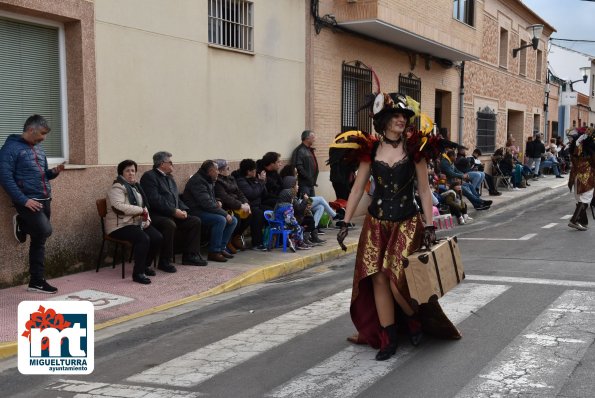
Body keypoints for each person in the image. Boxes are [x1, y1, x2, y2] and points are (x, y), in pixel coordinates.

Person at [337, 92, 461, 361]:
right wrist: (345, 222)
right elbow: (358, 188)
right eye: (395, 116)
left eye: (404, 116)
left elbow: (425, 191)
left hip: (406, 221)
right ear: (382, 120)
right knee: (378, 277)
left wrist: (429, 225)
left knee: (395, 278)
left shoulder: (416, 150)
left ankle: (413, 319)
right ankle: (388, 337)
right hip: (376, 222)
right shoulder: (370, 151)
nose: (401, 120)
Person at [0, 115, 64, 293]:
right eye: (42, 133)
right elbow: (5, 178)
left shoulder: (39, 149)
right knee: (45, 230)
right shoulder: (10, 149)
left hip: (44, 199)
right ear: (31, 129)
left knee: (39, 240)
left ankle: (36, 281)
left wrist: (54, 172)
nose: (44, 138)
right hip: (27, 201)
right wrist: (24, 200)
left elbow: (43, 174)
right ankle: (22, 221)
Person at [140, 151, 206, 271]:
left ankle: (190, 256)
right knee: (169, 224)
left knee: (194, 221)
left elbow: (176, 197)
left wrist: (183, 210)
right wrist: (173, 211)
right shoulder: (149, 177)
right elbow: (155, 200)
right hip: (156, 214)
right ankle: (165, 261)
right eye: (170, 162)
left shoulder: (170, 178)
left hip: (172, 212)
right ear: (161, 164)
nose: (172, 164)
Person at [105, 160, 163, 284]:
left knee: (157, 237)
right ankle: (138, 274)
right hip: (118, 226)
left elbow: (144, 205)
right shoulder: (117, 187)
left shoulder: (135, 187)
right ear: (121, 173)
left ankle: (145, 266)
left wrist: (147, 219)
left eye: (133, 170)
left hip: (134, 223)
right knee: (143, 238)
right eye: (127, 171)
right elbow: (118, 207)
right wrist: (141, 211)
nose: (131, 173)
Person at [182, 160, 238, 262]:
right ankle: (214, 252)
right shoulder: (198, 181)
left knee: (233, 220)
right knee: (220, 219)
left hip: (205, 209)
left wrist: (218, 201)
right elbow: (206, 203)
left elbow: (210, 198)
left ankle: (221, 248)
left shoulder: (208, 179)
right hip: (195, 211)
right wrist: (224, 214)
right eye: (217, 170)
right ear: (211, 170)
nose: (218, 172)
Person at [214, 159, 251, 253]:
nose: (229, 169)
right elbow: (225, 198)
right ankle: (228, 241)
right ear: (221, 170)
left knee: (250, 214)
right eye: (227, 168)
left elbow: (239, 192)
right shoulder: (217, 182)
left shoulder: (231, 178)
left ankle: (236, 236)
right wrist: (240, 206)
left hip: (237, 204)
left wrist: (245, 203)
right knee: (236, 217)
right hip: (226, 206)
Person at [235, 159, 268, 250]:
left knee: (271, 210)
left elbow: (264, 194)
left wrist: (262, 182)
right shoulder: (241, 181)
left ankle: (270, 239)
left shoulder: (254, 179)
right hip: (249, 206)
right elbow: (252, 194)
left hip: (258, 204)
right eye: (253, 171)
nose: (255, 172)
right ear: (248, 172)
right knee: (258, 214)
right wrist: (260, 182)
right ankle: (256, 243)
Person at [567, 128, 595, 231]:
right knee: (585, 199)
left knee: (580, 199)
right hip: (586, 177)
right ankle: (574, 220)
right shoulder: (587, 149)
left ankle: (582, 221)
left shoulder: (575, 148)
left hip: (576, 176)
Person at [291, 130, 319, 197]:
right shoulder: (299, 150)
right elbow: (298, 167)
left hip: (310, 183)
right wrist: (309, 178)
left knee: (312, 203)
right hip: (304, 184)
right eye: (313, 137)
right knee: (306, 204)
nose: (314, 139)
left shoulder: (308, 149)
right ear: (307, 138)